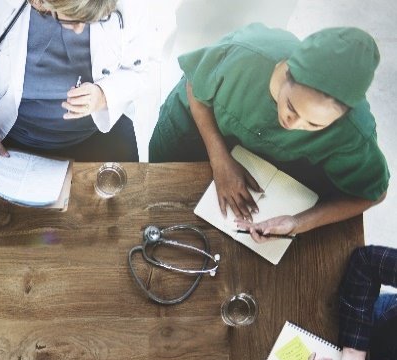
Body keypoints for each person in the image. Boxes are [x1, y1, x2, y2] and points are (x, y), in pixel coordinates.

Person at [149, 24, 388, 241]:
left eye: (315, 125)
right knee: (159, 208)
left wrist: (298, 222)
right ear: (285, 70)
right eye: (292, 107)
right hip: (193, 128)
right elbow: (195, 82)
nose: (293, 125)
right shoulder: (244, 52)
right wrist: (219, 159)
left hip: (262, 171)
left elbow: (373, 193)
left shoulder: (354, 132)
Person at [0, 0, 152, 169]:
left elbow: (144, 67)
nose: (80, 29)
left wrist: (104, 95)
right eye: (72, 20)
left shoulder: (130, 7)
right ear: (38, 3)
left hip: (93, 136)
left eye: (91, 19)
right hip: (9, 138)